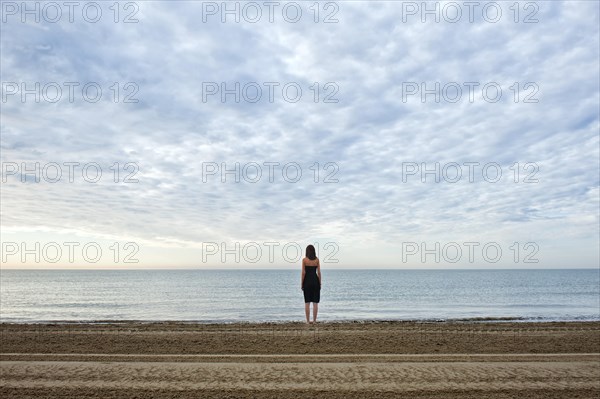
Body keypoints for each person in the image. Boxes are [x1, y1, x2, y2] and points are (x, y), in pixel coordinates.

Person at [301, 244, 321, 324]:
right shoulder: (317, 260)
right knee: (315, 302)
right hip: (315, 281)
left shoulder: (304, 260)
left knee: (307, 302)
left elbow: (303, 273)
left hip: (307, 281)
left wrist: (302, 283)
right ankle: (315, 321)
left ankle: (308, 321)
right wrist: (320, 283)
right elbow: (319, 273)